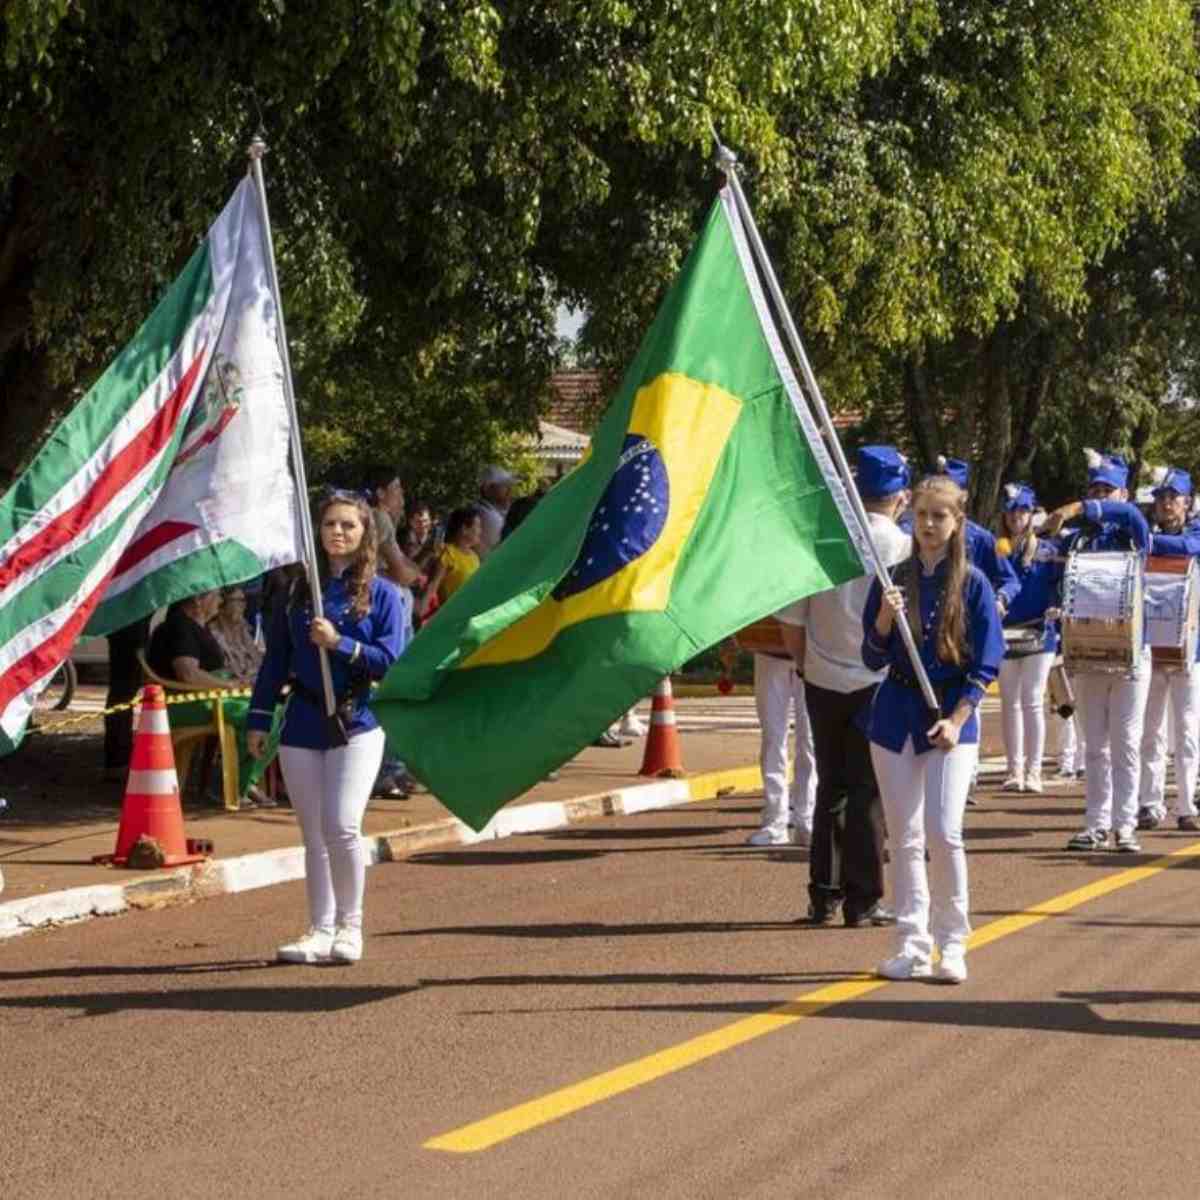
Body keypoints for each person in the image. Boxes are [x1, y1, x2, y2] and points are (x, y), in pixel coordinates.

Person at [247, 490, 404, 965]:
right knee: (312, 832)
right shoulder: (297, 591)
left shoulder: (383, 593)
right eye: (330, 524)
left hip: (357, 720)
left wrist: (342, 644)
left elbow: (391, 661)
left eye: (348, 526)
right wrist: (259, 718)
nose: (337, 532)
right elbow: (276, 661)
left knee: (341, 824)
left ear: (364, 534)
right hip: (302, 722)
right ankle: (319, 928)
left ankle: (349, 927)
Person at [862, 473, 1003, 983]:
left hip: (949, 716)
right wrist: (882, 618)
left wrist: (959, 718)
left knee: (945, 833)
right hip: (895, 713)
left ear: (957, 521)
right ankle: (910, 944)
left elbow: (987, 663)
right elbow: (870, 655)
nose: (927, 524)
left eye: (939, 515)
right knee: (903, 837)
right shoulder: (892, 577)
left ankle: (953, 943)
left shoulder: (974, 583)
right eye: (920, 514)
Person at [778, 445, 910, 924]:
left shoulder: (824, 541)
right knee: (867, 792)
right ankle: (865, 898)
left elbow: (791, 621)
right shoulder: (902, 546)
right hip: (875, 680)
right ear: (902, 497)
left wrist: (805, 662)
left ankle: (823, 893)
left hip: (821, 676)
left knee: (828, 786)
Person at [1041, 449, 1151, 852]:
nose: (1101, 497)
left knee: (1125, 743)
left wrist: (1077, 507)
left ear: (1124, 493)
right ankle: (1096, 824)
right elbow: (1056, 576)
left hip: (1130, 656)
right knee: (1094, 747)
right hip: (1089, 654)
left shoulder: (1135, 528)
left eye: (1109, 490)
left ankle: (1126, 825)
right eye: (1095, 489)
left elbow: (1126, 515)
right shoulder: (1079, 539)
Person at [146, 591, 274, 807]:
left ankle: (245, 781)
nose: (220, 601)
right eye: (216, 596)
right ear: (197, 600)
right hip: (187, 703)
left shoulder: (197, 625)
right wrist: (229, 685)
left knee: (272, 711)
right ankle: (225, 783)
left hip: (208, 697)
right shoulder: (180, 627)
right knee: (256, 717)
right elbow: (188, 673)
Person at [1136, 467, 1200, 832]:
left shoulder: (1194, 533)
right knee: (1151, 730)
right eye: (1160, 498)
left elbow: (1189, 548)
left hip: (1191, 650)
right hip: (1149, 648)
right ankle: (1149, 802)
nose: (1165, 503)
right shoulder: (1148, 537)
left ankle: (1186, 805)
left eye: (1172, 497)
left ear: (1187, 502)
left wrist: (1147, 541)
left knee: (1187, 731)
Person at [996, 483, 1062, 794]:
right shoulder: (997, 549)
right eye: (1011, 511)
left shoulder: (1047, 550)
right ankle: (1014, 770)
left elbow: (1058, 584)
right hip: (1006, 632)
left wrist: (1056, 605)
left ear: (1031, 513)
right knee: (1010, 702)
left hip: (1040, 633)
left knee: (1032, 700)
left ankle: (1034, 771)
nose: (1016, 517)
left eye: (1022, 511)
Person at [103, 614, 152, 782]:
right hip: (129, 634)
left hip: (129, 631)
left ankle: (118, 759)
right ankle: (117, 761)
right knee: (122, 696)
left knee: (122, 696)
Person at [425, 505, 484, 608]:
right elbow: (432, 587)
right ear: (464, 529)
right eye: (478, 526)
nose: (480, 531)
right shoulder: (448, 553)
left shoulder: (474, 557)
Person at [208, 587, 264, 681]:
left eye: (244, 600)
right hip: (231, 687)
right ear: (221, 605)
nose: (244, 605)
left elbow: (258, 662)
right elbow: (228, 672)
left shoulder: (243, 628)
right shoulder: (212, 633)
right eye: (238, 600)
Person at [477, 464, 516, 558]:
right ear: (487, 488)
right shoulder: (487, 515)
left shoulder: (491, 511)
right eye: (504, 486)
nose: (510, 491)